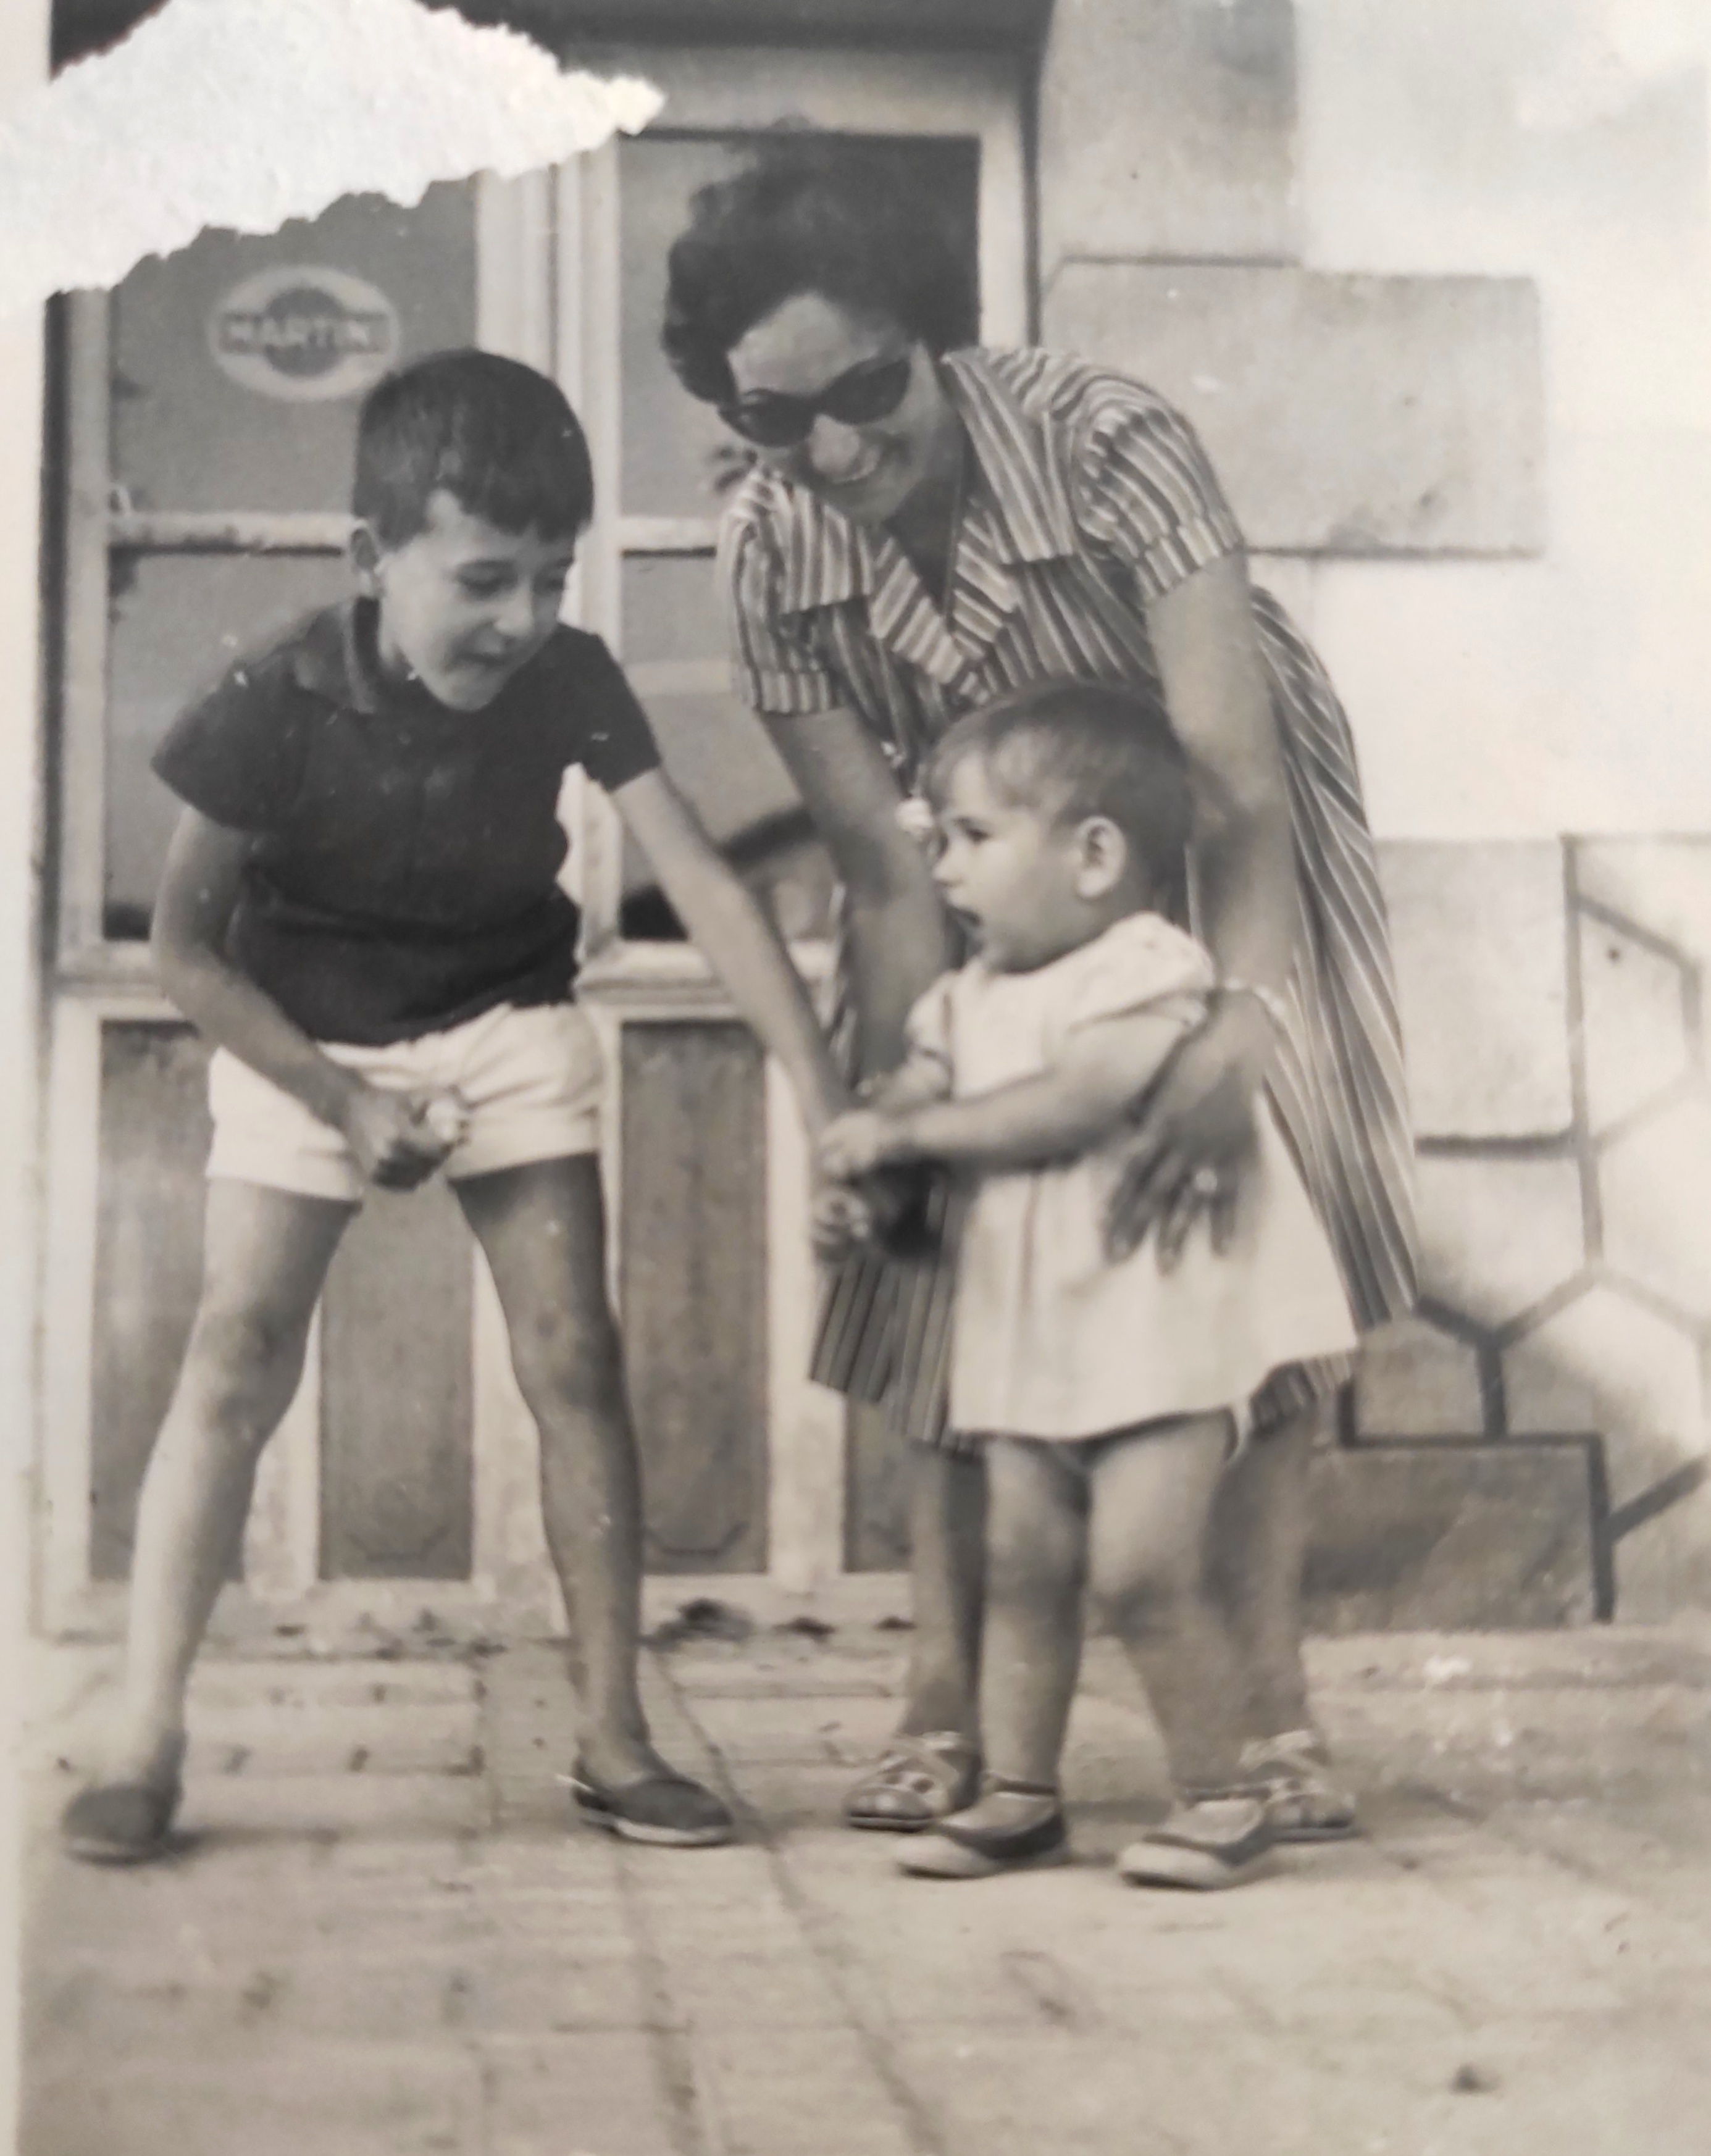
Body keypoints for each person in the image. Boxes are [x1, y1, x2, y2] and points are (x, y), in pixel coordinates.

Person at [662, 141, 1416, 1839]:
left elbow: (1232, 786)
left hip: (1217, 832)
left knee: (1237, 1221)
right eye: (776, 418)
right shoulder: (767, 549)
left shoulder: (1109, 439)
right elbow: (882, 874)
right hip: (974, 866)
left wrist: (1236, 1032)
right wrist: (911, 1119)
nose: (834, 452)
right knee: (942, 1257)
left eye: (867, 390)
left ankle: (1270, 1716)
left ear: (933, 332)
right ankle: (945, 1704)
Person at [61, 349, 845, 1864]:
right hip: (299, 1036)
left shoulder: (570, 676)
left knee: (576, 1358)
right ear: (374, 558)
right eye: (486, 580)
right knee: (234, 1353)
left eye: (554, 579)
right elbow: (182, 955)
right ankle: (141, 1735)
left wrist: (821, 1094)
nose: (524, 619)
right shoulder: (271, 694)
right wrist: (338, 1100)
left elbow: (695, 873)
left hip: (504, 1022)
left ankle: (614, 1738)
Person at [816, 684, 1357, 1886]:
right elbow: (916, 1095)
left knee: (1144, 1573)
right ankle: (1022, 1792)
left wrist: (910, 1135)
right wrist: (868, 1169)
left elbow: (1079, 1101)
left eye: (973, 837)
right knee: (1023, 1568)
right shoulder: (964, 998)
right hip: (1024, 1336)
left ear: (1096, 857)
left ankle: (1220, 1796)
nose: (944, 868)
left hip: (1151, 1342)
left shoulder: (1146, 967)